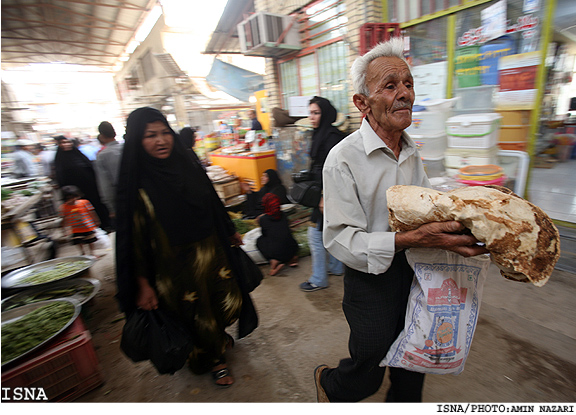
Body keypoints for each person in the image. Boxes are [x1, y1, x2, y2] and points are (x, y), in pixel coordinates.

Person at [315, 38, 489, 403]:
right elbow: (340, 239)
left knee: (414, 364)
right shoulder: (342, 159)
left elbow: (428, 208)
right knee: (368, 370)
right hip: (370, 279)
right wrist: (409, 239)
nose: (405, 94)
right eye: (390, 85)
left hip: (417, 272)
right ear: (362, 103)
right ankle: (329, 382)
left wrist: (474, 223)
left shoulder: (411, 152)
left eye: (408, 84)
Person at [115, 107, 258, 387]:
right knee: (195, 314)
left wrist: (229, 231)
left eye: (165, 132)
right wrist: (142, 283)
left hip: (211, 254)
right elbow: (134, 240)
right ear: (136, 140)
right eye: (150, 135)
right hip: (173, 267)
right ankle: (212, 360)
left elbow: (212, 200)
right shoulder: (136, 184)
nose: (161, 141)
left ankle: (214, 340)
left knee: (223, 301)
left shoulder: (186, 164)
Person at [298, 96, 345, 293]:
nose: (312, 117)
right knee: (330, 232)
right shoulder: (320, 134)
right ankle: (336, 267)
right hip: (323, 193)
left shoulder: (332, 136)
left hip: (329, 194)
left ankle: (319, 278)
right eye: (310, 112)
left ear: (324, 114)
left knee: (315, 237)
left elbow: (334, 170)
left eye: (316, 113)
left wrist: (324, 196)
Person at [53, 135, 111, 231]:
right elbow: (60, 177)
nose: (65, 145)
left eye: (67, 142)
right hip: (74, 194)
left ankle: (104, 225)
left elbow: (91, 170)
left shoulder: (79, 156)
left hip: (91, 190)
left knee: (95, 208)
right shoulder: (60, 160)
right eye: (62, 143)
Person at [256, 193, 299, 276]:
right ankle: (292, 259)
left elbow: (265, 235)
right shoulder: (283, 215)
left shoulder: (263, 219)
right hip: (292, 249)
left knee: (260, 241)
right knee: (287, 238)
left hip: (277, 253)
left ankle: (273, 261)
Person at [95, 121, 123, 231]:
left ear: (101, 136)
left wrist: (111, 208)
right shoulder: (128, 148)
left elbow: (105, 186)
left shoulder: (102, 156)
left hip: (120, 199)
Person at [59, 185, 100, 257]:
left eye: (74, 197)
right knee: (79, 241)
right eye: (69, 198)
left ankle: (92, 253)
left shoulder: (84, 202)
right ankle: (83, 253)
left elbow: (92, 212)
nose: (73, 199)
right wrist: (64, 229)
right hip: (75, 229)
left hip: (87, 227)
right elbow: (65, 218)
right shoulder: (64, 207)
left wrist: (96, 221)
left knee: (90, 240)